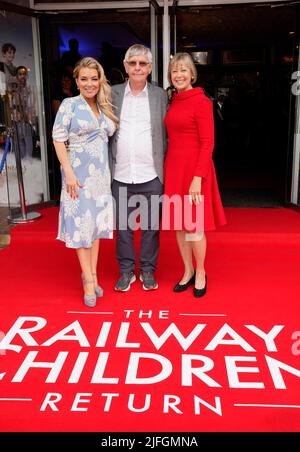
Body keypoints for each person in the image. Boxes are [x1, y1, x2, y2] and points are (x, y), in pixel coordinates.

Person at [52, 57, 118, 307]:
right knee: (81, 228)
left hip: (100, 178)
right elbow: (58, 139)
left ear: (100, 81)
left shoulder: (104, 106)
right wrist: (68, 171)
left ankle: (92, 274)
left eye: (94, 78)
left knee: (96, 228)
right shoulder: (69, 105)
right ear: (76, 81)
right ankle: (89, 281)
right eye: (84, 79)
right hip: (76, 176)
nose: (89, 84)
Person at [163, 52, 226, 298]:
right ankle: (187, 270)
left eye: (183, 70)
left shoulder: (202, 101)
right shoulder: (174, 100)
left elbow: (208, 142)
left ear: (192, 74)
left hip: (195, 170)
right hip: (175, 167)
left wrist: (198, 178)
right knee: (180, 225)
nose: (178, 75)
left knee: (194, 226)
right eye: (174, 71)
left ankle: (201, 271)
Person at [110, 44, 168, 292]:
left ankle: (147, 270)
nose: (137, 68)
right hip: (120, 173)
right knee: (123, 228)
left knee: (151, 228)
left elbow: (167, 133)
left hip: (151, 173)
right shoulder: (111, 93)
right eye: (132, 63)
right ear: (125, 66)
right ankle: (126, 271)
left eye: (142, 63)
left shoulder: (160, 96)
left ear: (150, 67)